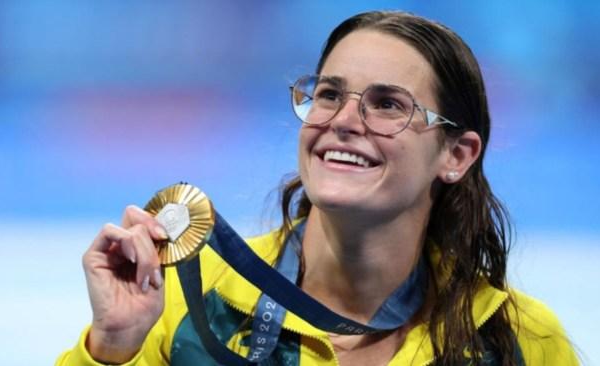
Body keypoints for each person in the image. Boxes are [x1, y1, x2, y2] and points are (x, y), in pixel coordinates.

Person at [56, 10, 579, 366]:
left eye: (388, 104)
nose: (344, 121)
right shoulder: (186, 301)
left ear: (455, 155)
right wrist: (112, 346)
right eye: (329, 94)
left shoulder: (521, 340)